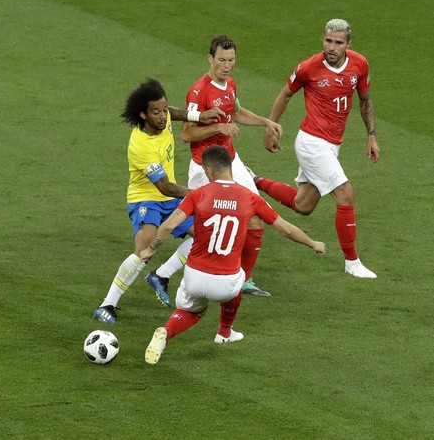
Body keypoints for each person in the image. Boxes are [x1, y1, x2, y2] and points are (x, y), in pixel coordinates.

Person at [143, 145, 325, 365]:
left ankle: (166, 331)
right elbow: (286, 229)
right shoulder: (250, 197)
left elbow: (168, 225)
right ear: (230, 166)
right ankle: (225, 331)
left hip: (193, 275)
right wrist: (313, 243)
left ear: (209, 171)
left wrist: (150, 249)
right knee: (240, 275)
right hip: (226, 283)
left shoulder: (198, 194)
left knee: (192, 311)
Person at [144, 35, 282, 300]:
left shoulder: (230, 83)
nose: (226, 66)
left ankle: (244, 280)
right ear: (210, 58)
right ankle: (161, 274)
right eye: (221, 60)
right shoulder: (199, 91)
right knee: (206, 230)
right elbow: (186, 134)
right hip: (205, 168)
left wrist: (265, 121)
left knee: (255, 216)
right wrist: (218, 127)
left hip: (230, 161)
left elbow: (236, 112)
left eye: (231, 60)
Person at [92, 79, 224, 323]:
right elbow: (163, 186)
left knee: (206, 236)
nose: (163, 116)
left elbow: (174, 113)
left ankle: (161, 276)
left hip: (170, 198)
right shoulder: (141, 146)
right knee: (144, 249)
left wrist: (198, 116)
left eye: (164, 110)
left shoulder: (163, 119)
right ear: (143, 114)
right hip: (146, 199)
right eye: (156, 111)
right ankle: (107, 304)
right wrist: (199, 194)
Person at [255, 19, 378, 278]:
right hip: (312, 142)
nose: (331, 47)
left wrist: (371, 135)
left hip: (332, 145)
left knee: (303, 205)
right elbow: (285, 94)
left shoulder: (359, 64)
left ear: (348, 44)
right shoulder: (308, 67)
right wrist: (270, 127)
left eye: (338, 42)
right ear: (323, 39)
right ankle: (352, 262)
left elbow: (365, 100)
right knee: (345, 193)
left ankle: (254, 180)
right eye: (328, 41)